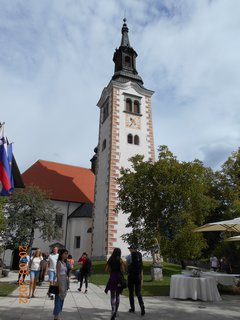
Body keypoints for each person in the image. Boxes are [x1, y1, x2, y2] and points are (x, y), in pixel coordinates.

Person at [105, 248, 125, 320]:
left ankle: (113, 310)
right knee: (117, 295)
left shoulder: (110, 259)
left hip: (112, 277)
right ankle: (116, 311)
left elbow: (106, 269)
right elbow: (123, 269)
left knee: (112, 295)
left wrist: (111, 270)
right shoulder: (120, 260)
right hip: (118, 278)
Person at [126, 244, 145, 316]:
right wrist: (142, 279)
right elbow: (141, 268)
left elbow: (126, 267)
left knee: (131, 293)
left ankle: (132, 308)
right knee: (138, 292)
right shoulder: (140, 256)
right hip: (138, 276)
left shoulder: (129, 257)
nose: (129, 250)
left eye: (130, 248)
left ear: (132, 249)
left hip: (131, 276)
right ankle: (142, 305)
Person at [53, 248, 69, 320]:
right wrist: (59, 284)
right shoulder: (59, 262)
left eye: (67, 253)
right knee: (58, 298)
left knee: (62, 297)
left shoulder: (64, 263)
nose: (66, 255)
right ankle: (56, 315)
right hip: (60, 281)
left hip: (64, 281)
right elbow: (58, 274)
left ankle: (58, 313)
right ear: (61, 254)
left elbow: (65, 273)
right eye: (65, 253)